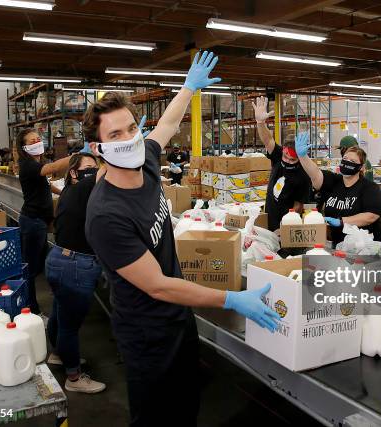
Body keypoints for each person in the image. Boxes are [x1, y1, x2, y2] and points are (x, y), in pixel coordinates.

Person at [83, 52, 280, 426]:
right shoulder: (107, 215)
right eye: (114, 135)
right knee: (158, 417)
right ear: (98, 149)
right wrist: (231, 299)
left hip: (178, 321)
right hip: (147, 334)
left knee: (188, 408)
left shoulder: (146, 161)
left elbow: (168, 125)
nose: (128, 139)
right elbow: (158, 286)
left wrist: (188, 88)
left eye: (130, 129)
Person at [45, 152, 105, 394]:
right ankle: (74, 378)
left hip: (60, 259)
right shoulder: (81, 189)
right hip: (75, 266)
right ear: (73, 172)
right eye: (88, 167)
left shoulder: (71, 192)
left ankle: (59, 354)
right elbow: (106, 172)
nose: (93, 171)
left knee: (59, 314)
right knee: (69, 325)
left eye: (94, 166)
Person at [295, 133, 381, 248]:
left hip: (366, 249)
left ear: (361, 167)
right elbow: (315, 175)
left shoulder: (370, 188)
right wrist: (303, 156)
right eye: (345, 159)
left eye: (352, 161)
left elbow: (370, 216)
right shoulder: (334, 181)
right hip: (340, 247)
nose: (347, 162)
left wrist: (342, 221)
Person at [16, 128, 72, 314]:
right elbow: (54, 168)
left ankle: (31, 307)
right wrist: (78, 157)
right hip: (32, 221)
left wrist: (66, 192)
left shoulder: (35, 164)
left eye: (38, 139)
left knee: (36, 266)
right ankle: (32, 310)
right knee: (31, 270)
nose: (37, 142)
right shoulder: (28, 165)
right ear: (24, 148)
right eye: (32, 141)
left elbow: (46, 185)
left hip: (40, 221)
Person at [251, 96, 311, 232]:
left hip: (288, 225)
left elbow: (299, 205)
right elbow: (267, 140)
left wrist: (285, 226)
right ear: (283, 150)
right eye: (286, 157)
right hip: (270, 218)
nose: (288, 161)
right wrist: (260, 122)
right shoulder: (278, 154)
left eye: (292, 160)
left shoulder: (304, 174)